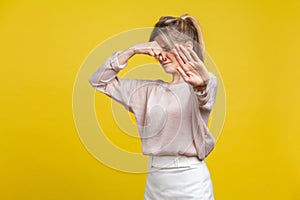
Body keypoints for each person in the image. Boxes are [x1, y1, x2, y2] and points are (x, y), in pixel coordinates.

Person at [89, 14, 218, 200]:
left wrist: (201, 85)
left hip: (190, 183)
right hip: (156, 182)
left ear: (188, 48)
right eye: (157, 48)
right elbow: (99, 81)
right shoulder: (147, 91)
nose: (160, 55)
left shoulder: (205, 84)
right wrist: (131, 51)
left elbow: (205, 95)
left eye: (166, 48)